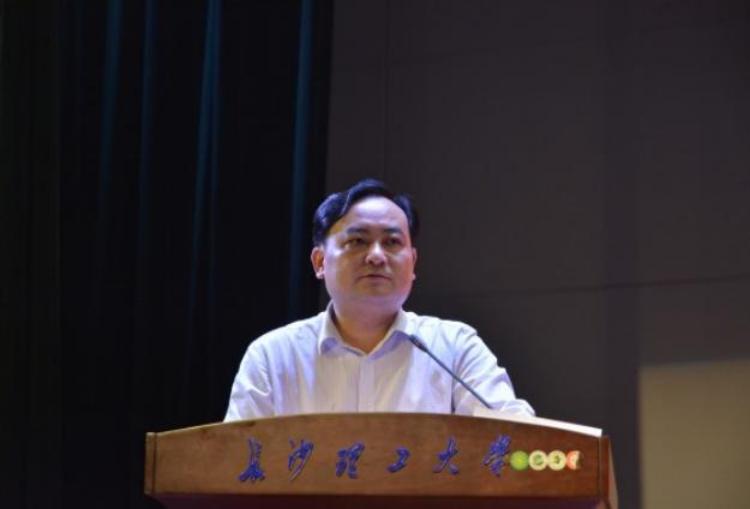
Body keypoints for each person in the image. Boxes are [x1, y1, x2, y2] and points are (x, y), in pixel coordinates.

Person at [224, 179, 533, 420]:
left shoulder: (454, 348)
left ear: (413, 262)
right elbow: (235, 463)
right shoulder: (272, 358)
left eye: (392, 242)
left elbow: (515, 437)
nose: (376, 256)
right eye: (358, 241)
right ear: (319, 262)